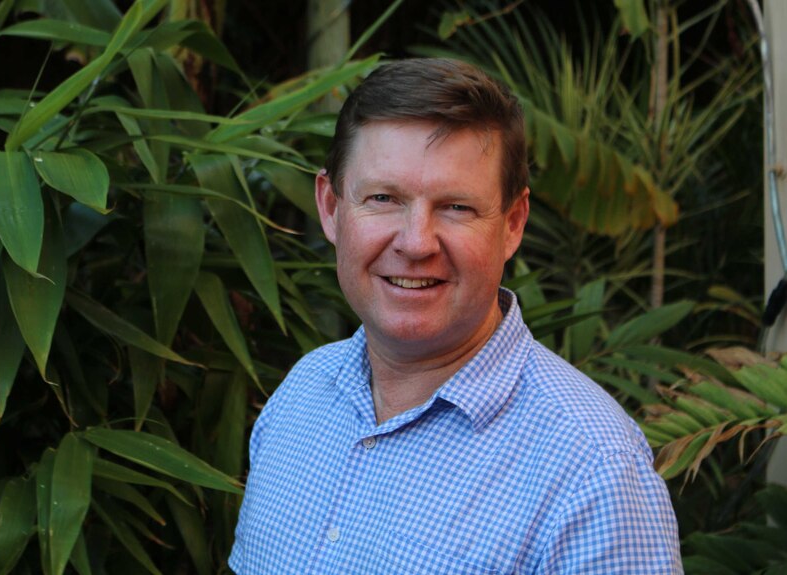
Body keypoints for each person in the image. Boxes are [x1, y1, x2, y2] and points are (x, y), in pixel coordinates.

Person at [229, 58, 682, 574]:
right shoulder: (300, 397)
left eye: (457, 208)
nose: (416, 242)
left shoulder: (591, 468)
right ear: (331, 208)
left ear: (512, 224)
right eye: (383, 198)